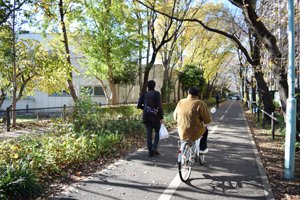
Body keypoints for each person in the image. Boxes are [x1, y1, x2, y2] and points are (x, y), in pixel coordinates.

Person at [173, 87, 211, 153]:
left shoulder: (181, 102)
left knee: (184, 136)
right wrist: (207, 122)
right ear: (198, 94)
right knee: (205, 130)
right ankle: (202, 149)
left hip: (182, 131)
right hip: (195, 132)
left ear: (188, 93)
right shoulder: (200, 103)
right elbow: (207, 119)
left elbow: (175, 116)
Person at [137, 80, 164, 157]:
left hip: (146, 116)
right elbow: (160, 106)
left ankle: (150, 150)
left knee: (149, 133)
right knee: (157, 131)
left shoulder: (144, 94)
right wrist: (161, 117)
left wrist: (145, 108)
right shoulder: (157, 94)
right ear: (154, 86)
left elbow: (138, 105)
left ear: (148, 86)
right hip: (155, 116)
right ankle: (154, 147)